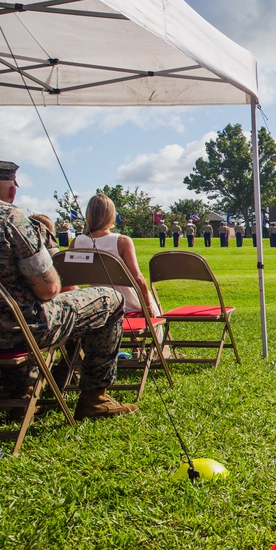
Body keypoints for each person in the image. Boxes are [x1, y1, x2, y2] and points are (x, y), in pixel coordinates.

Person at [0, 162, 136, 419]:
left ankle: (22, 395)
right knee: (111, 300)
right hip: (23, 329)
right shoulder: (11, 219)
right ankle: (94, 398)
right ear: (11, 192)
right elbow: (49, 288)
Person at [70, 194, 159, 318]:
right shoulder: (121, 241)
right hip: (128, 304)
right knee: (154, 310)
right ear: (111, 215)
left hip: (98, 305)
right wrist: (148, 306)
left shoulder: (76, 243)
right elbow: (137, 277)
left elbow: (68, 279)